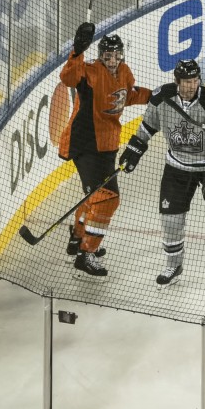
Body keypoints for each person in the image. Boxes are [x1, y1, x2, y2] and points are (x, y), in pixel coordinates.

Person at [119, 59, 205, 287]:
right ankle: (174, 265)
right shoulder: (161, 98)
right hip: (177, 167)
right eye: (186, 81)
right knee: (171, 221)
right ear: (177, 81)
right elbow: (148, 126)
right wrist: (134, 148)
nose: (191, 86)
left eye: (195, 80)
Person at [58, 23, 151, 278]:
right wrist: (77, 50)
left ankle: (78, 237)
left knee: (95, 197)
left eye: (116, 55)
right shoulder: (88, 72)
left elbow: (127, 96)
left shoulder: (124, 72)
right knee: (108, 199)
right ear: (99, 55)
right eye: (107, 55)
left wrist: (153, 95)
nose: (112, 60)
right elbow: (67, 78)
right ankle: (86, 253)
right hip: (86, 145)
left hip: (107, 145)